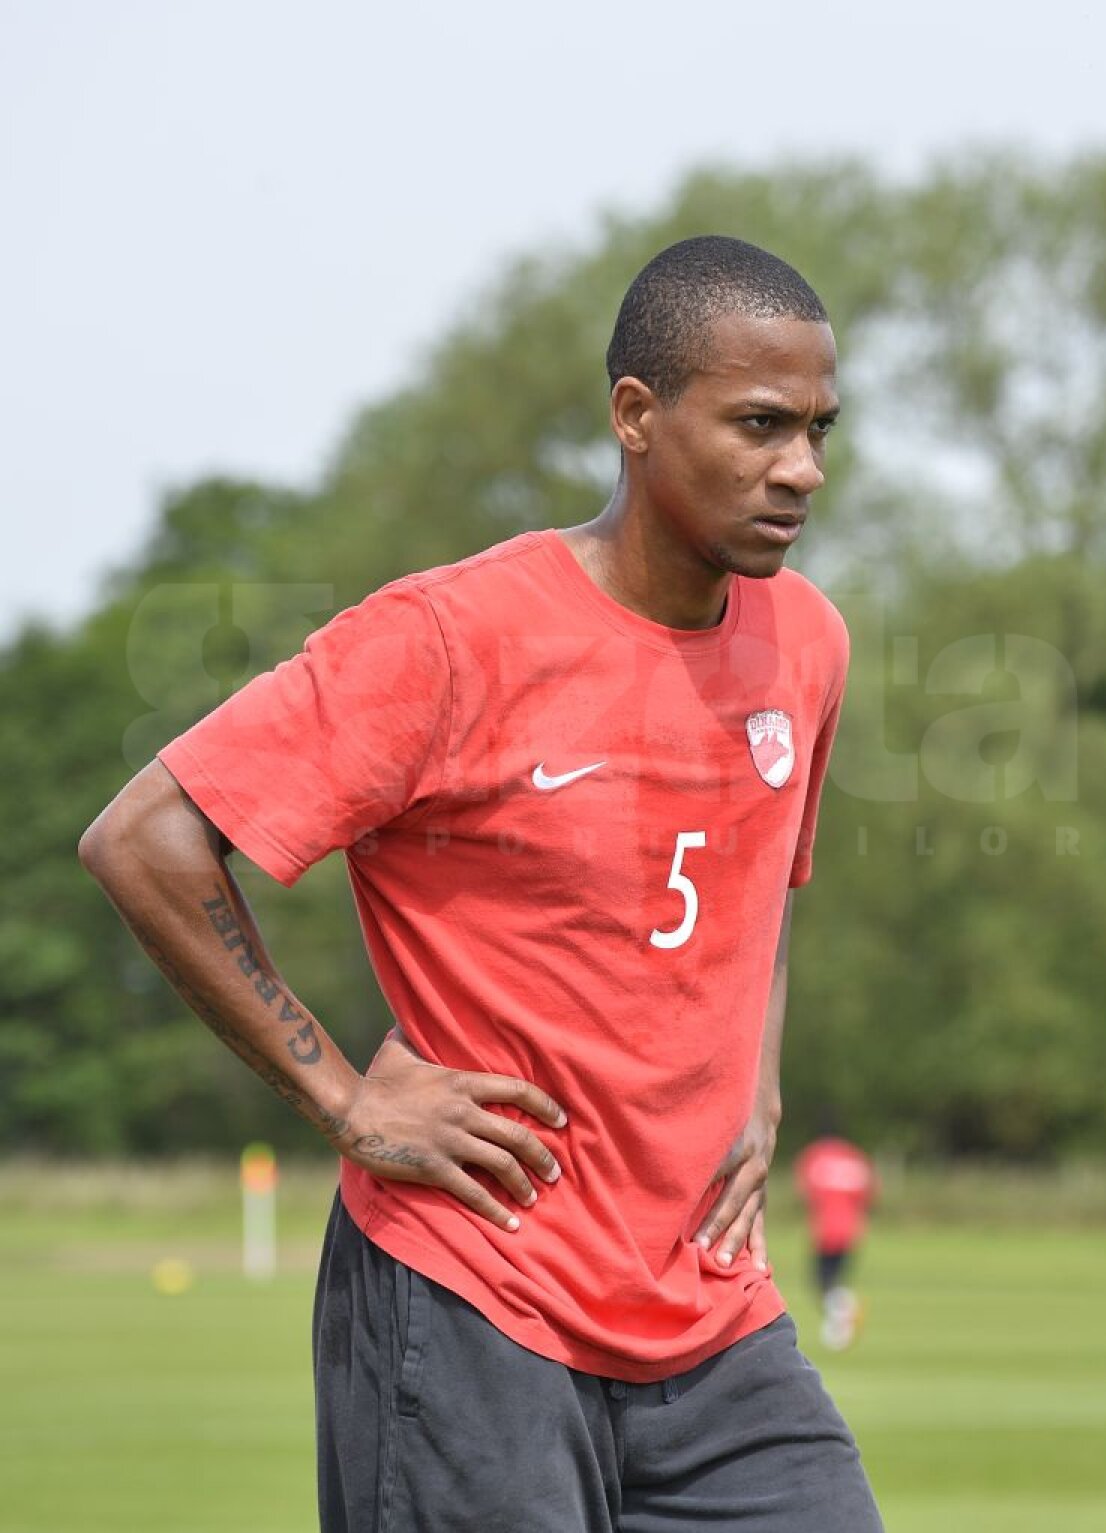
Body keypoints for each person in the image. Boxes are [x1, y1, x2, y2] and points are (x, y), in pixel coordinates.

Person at [80, 236, 884, 1532]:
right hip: (470, 1300)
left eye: (817, 429)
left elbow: (765, 877)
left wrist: (761, 1079)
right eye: (760, 425)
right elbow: (145, 837)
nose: (803, 468)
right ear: (636, 415)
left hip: (710, 1312)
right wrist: (342, 1097)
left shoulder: (808, 641)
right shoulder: (450, 639)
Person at [794, 1127, 876, 1351]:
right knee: (834, 1278)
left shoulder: (815, 1155)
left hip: (825, 1228)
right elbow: (869, 1194)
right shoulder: (855, 1157)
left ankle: (844, 1314)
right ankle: (840, 1322)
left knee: (820, 1281)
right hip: (852, 1229)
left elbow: (804, 1191)